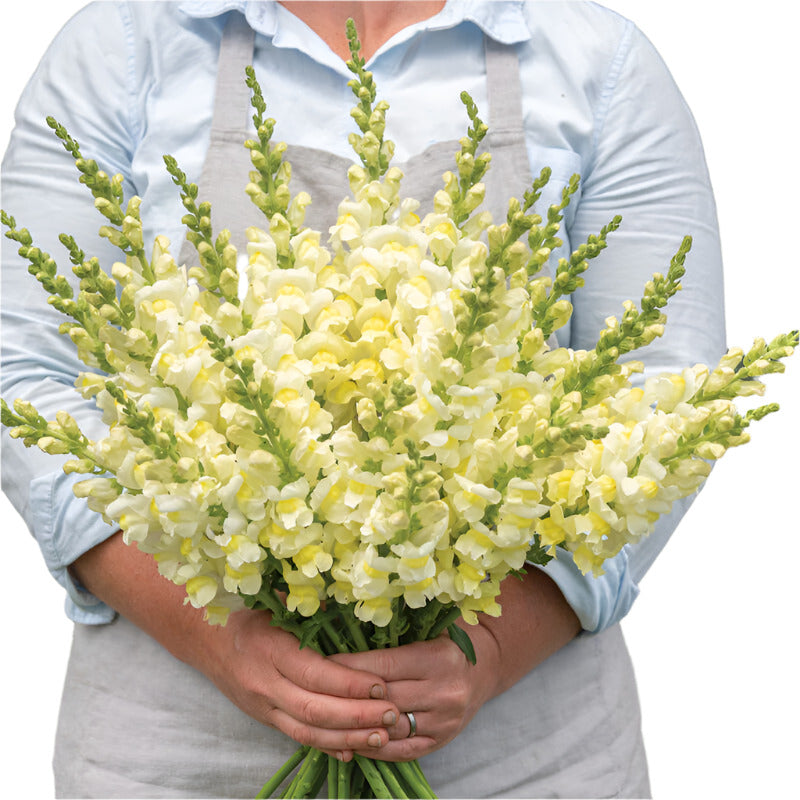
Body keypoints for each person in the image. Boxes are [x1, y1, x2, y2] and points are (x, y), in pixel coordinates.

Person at [1, 1, 725, 797]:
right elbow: (27, 376)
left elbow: (667, 393)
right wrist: (222, 641)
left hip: (521, 757)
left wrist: (485, 654)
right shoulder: (126, 44)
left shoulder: (595, 59)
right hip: (177, 748)